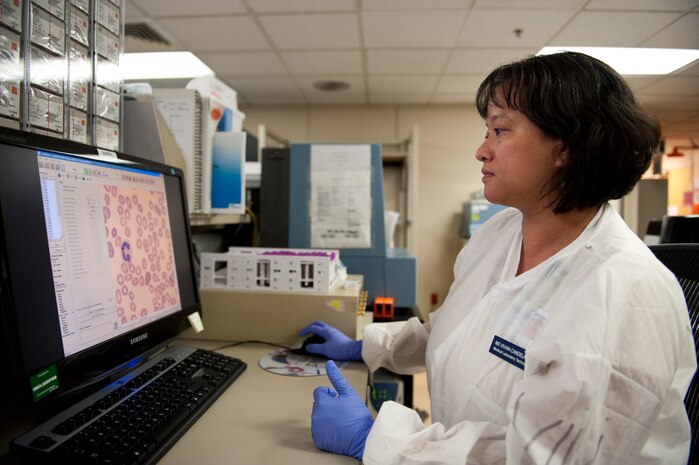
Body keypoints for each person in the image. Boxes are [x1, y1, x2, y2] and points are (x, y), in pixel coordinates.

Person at [299, 51, 696, 465]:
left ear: (567, 147)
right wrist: (365, 347)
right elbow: (455, 330)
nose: (481, 151)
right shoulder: (498, 234)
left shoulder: (624, 291)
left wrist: (378, 442)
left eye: (500, 130)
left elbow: (548, 459)